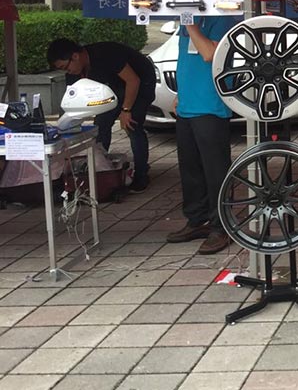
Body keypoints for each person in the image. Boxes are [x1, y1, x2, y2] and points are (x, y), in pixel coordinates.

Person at [165, 16, 239, 255]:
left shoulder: (221, 19)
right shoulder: (187, 21)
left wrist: (190, 25)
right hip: (187, 106)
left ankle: (221, 226)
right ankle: (196, 219)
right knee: (190, 168)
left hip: (210, 106)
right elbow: (185, 60)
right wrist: (180, 93)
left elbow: (209, 54)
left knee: (215, 170)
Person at [48, 38, 156, 192]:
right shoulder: (74, 73)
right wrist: (66, 125)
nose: (68, 72)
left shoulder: (106, 54)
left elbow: (133, 81)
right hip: (112, 89)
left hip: (140, 82)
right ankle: (100, 170)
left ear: (75, 56)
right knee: (101, 124)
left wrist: (126, 110)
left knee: (132, 125)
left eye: (66, 67)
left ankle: (141, 174)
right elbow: (70, 102)